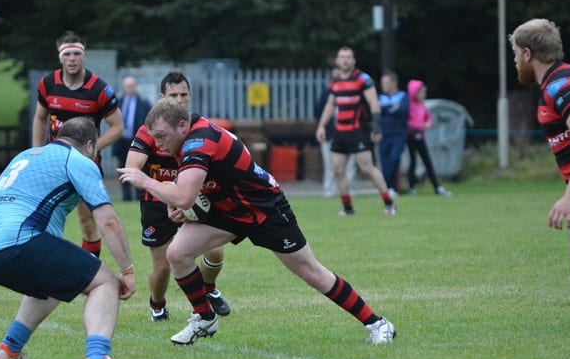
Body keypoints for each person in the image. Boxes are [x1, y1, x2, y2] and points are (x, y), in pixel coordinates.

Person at [118, 98, 397, 346]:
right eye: (154, 138)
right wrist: (177, 203)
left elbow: (185, 194)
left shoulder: (200, 140)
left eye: (161, 136)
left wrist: (147, 181)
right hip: (227, 210)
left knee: (311, 272)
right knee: (178, 253)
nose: (158, 144)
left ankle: (377, 323)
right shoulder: (184, 137)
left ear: (181, 125)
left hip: (264, 207)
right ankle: (204, 318)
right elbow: (189, 190)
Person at [0, 117, 136, 359]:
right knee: (106, 282)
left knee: (55, 283)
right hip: (19, 242)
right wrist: (127, 271)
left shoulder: (25, 157)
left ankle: (9, 350)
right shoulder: (78, 160)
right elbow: (109, 222)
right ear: (91, 146)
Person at [510, 18, 570, 307]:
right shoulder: (552, 85)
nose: (516, 63)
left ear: (528, 54)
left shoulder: (561, 85)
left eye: (516, 55)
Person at [124, 71, 231, 322]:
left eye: (184, 95)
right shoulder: (149, 129)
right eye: (173, 95)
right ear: (162, 97)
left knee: (215, 252)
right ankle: (157, 305)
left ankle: (209, 289)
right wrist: (168, 189)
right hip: (157, 204)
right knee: (162, 268)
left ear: (190, 96)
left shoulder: (200, 128)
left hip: (195, 200)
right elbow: (132, 167)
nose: (179, 100)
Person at [31, 30, 123, 258]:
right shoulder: (47, 84)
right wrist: (36, 150)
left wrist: (94, 149)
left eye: (76, 54)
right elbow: (40, 117)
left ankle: (90, 269)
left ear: (84, 56)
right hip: (54, 161)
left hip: (85, 165)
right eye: (67, 54)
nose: (72, 59)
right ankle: (45, 264)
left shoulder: (99, 89)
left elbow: (117, 127)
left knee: (88, 221)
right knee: (45, 215)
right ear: (60, 56)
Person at [315, 46, 396, 216]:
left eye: (348, 57)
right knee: (337, 169)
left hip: (358, 130)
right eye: (342, 57)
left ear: (353, 60)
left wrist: (376, 126)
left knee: (367, 168)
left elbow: (374, 103)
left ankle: (389, 202)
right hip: (340, 131)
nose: (345, 60)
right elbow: (331, 104)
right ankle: (347, 207)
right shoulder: (335, 81)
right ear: (338, 61)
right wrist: (322, 125)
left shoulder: (363, 79)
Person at [406, 79, 452, 196]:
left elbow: (428, 118)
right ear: (415, 92)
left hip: (420, 135)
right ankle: (412, 187)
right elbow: (408, 122)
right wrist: (420, 126)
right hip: (412, 136)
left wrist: (427, 123)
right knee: (414, 161)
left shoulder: (422, 105)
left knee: (426, 161)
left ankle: (436, 187)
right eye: (422, 92)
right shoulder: (408, 105)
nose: (424, 95)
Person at [113, 76, 152, 201]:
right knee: (123, 168)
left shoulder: (144, 103)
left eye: (131, 86)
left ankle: (138, 196)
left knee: (138, 168)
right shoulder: (118, 102)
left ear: (135, 87)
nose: (129, 88)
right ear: (124, 88)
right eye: (127, 86)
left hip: (138, 141)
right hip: (122, 141)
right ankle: (126, 198)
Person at [378, 70, 409, 197]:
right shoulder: (380, 96)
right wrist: (392, 107)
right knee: (384, 162)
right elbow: (377, 110)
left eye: (385, 83)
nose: (383, 85)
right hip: (383, 134)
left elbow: (403, 110)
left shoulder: (403, 96)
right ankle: (389, 188)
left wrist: (386, 108)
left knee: (394, 158)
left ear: (394, 83)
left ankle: (391, 187)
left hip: (399, 134)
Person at [315, 66, 343, 197]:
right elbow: (321, 113)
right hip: (329, 135)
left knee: (347, 166)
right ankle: (329, 189)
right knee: (330, 164)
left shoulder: (351, 91)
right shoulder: (326, 93)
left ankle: (348, 190)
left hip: (347, 134)